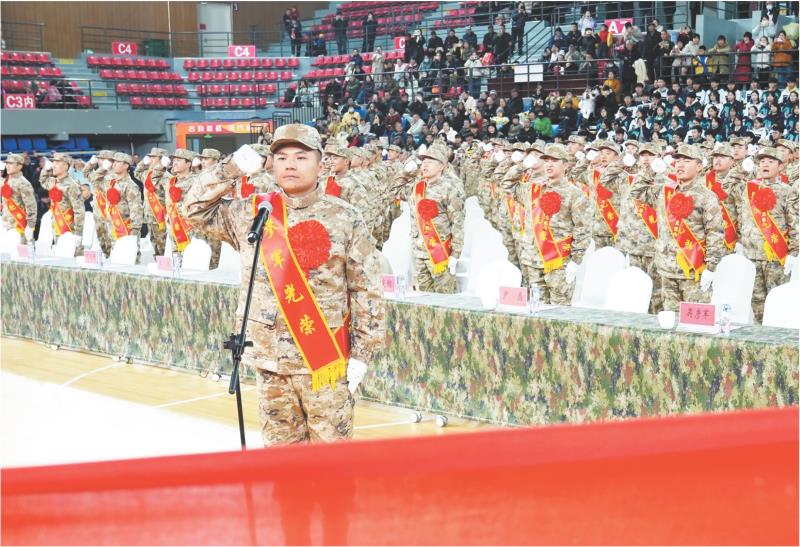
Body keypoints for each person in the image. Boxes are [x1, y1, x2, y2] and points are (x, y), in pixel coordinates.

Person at [184, 124, 385, 445]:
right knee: (281, 460)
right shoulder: (253, 213)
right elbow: (194, 209)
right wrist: (230, 168)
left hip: (324, 362)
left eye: (301, 157)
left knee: (331, 460)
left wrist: (363, 353)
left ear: (320, 164)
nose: (290, 164)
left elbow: (367, 291)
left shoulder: (345, 217)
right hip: (270, 363)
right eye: (281, 157)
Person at [629, 144, 725, 311]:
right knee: (669, 320)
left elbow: (715, 233)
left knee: (694, 321)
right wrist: (650, 170)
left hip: (693, 271)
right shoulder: (664, 192)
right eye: (678, 160)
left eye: (686, 161)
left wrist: (711, 267)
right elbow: (636, 193)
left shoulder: (707, 197)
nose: (680, 164)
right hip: (666, 269)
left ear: (699, 166)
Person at [736, 147, 797, 321]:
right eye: (762, 161)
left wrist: (793, 252)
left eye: (771, 161)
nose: (765, 165)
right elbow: (739, 213)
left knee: (777, 303)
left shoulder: (787, 191)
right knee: (756, 303)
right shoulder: (747, 188)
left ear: (781, 166)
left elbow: (795, 223)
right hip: (751, 255)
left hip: (775, 256)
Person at [525, 143, 591, 304]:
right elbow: (507, 185)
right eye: (546, 160)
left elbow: (583, 229)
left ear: (566, 165)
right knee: (535, 310)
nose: (549, 164)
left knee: (559, 312)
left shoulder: (574, 194)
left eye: (554, 161)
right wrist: (523, 166)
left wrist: (576, 260)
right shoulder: (534, 189)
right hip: (534, 260)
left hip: (559, 262)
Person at [408, 143, 465, 293]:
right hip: (419, 252)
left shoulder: (450, 187)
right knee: (422, 298)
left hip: (440, 252)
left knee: (443, 299)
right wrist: (406, 171)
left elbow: (457, 222)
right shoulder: (417, 187)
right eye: (423, 161)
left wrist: (456, 254)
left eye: (430, 161)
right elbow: (394, 190)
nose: (425, 165)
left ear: (442, 166)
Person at [39, 153, 85, 254]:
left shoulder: (72, 185)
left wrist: (78, 233)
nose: (53, 165)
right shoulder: (53, 182)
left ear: (65, 166)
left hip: (69, 229)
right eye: (53, 162)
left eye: (57, 163)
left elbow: (79, 211)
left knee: (72, 257)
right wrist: (45, 169)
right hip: (56, 227)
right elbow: (42, 181)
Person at [134, 148, 170, 257]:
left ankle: (165, 263)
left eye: (154, 157)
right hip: (149, 215)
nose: (151, 159)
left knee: (163, 244)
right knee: (154, 243)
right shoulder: (147, 174)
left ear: (162, 159)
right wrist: (143, 163)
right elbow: (137, 173)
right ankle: (158, 262)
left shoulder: (167, 177)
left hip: (160, 217)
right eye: (150, 157)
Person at [104, 152, 144, 253]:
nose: (114, 164)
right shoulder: (111, 182)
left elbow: (136, 210)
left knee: (129, 257)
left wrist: (134, 232)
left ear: (126, 165)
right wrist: (103, 168)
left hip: (126, 228)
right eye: (113, 161)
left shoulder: (130, 185)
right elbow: (94, 179)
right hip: (113, 227)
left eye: (118, 162)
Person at [1, 153, 37, 244]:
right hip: (7, 224)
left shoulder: (23, 183)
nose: (7, 166)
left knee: (22, 252)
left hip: (19, 226)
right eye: (7, 163)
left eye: (11, 163)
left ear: (19, 166)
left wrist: (30, 226)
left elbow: (31, 206)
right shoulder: (6, 181)